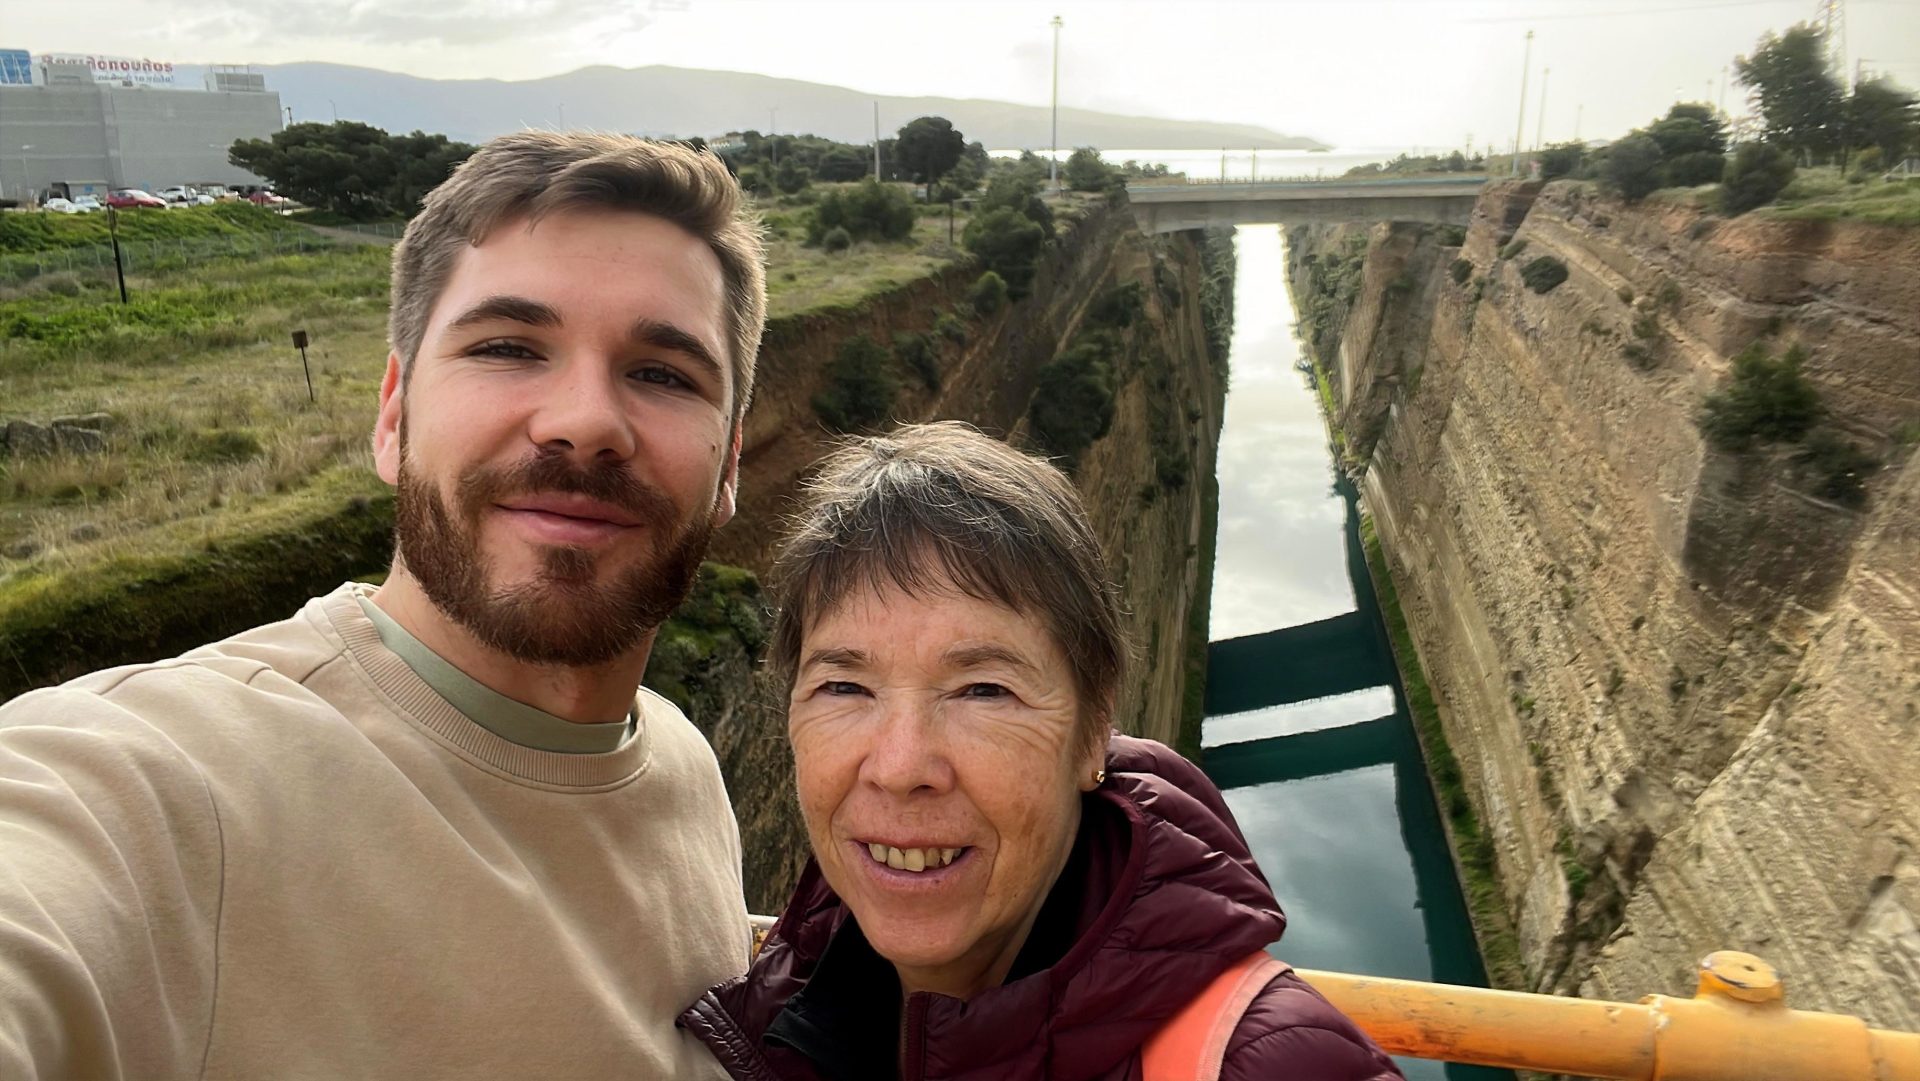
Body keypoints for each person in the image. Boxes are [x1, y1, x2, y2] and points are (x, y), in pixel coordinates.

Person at [0, 132, 767, 1079]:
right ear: (394, 417)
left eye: (661, 373)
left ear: (729, 464)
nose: (585, 420)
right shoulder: (166, 787)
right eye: (507, 347)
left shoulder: (679, 761)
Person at [681, 422, 1401, 1080]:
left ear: (1093, 733)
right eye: (844, 686)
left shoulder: (1278, 1066)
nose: (899, 767)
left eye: (983, 690)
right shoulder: (766, 1017)